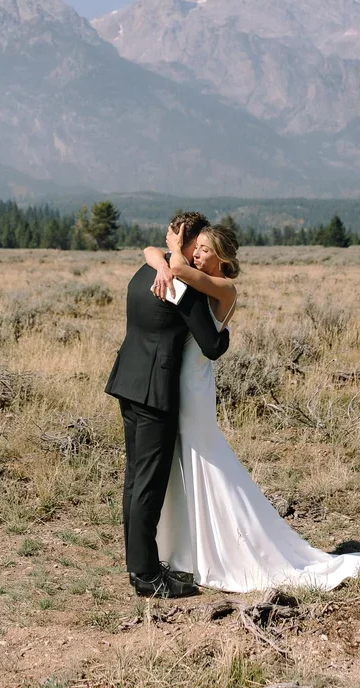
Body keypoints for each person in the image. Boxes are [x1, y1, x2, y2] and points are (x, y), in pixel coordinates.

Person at [144, 221, 360, 593]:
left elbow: (174, 266)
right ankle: (188, 547)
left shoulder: (224, 288)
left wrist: (173, 249)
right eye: (196, 249)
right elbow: (151, 255)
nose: (197, 254)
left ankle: (231, 547)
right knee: (184, 461)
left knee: (204, 457)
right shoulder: (192, 275)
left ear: (223, 259)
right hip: (174, 382)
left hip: (193, 386)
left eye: (205, 250)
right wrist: (162, 258)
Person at [104, 210, 229, 598]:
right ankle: (146, 577)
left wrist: (161, 256)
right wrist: (224, 335)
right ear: (189, 243)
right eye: (198, 245)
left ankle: (138, 565)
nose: (197, 255)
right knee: (149, 484)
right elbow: (211, 345)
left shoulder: (145, 272)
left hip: (127, 380)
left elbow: (149, 255)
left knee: (133, 479)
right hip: (155, 391)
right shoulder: (178, 284)